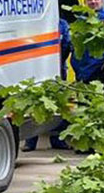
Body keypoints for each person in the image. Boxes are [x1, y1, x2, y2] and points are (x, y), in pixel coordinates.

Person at [23, 17, 72, 152]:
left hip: (58, 70)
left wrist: (59, 62)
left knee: (58, 104)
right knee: (35, 104)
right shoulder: (31, 22)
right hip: (35, 70)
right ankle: (31, 141)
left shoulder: (62, 24)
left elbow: (67, 45)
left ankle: (57, 139)